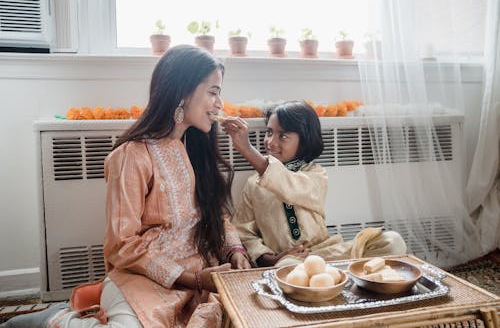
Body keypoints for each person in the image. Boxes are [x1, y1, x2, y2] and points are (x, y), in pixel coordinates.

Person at [2, 45, 250, 328]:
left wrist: (235, 251)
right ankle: (54, 319)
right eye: (213, 92)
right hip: (143, 278)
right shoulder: (132, 155)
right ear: (183, 91)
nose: (220, 104)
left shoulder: (196, 148)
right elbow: (122, 245)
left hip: (200, 274)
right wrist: (191, 279)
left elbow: (217, 215)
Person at [221, 100, 407, 267]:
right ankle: (330, 280)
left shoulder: (316, 174)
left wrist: (247, 149)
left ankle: (337, 277)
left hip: (327, 254)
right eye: (269, 132)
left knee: (393, 241)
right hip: (289, 260)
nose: (270, 141)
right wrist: (269, 258)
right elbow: (244, 232)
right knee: (284, 268)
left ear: (304, 140)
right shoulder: (253, 184)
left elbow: (289, 185)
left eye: (283, 135)